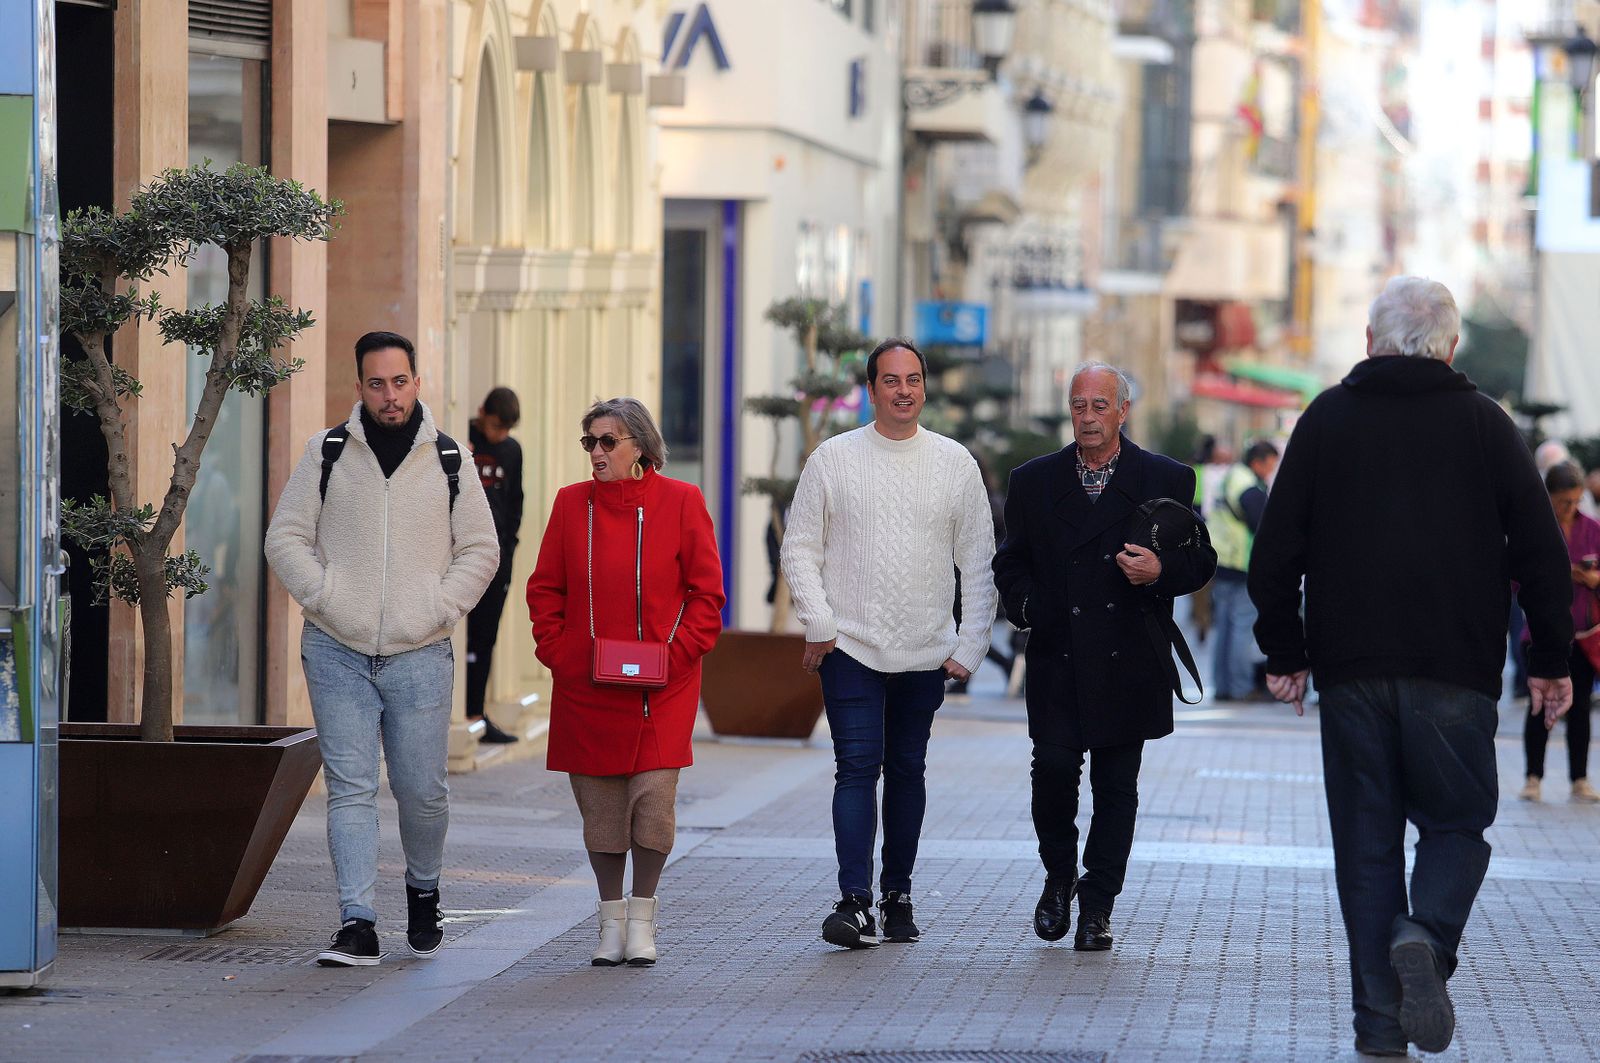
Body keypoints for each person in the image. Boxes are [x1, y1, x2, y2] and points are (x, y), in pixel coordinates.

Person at [1248, 276, 1574, 1057]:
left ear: (1369, 340)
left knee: (1365, 846)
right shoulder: (1486, 426)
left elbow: (1274, 553)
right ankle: (1425, 932)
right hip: (1456, 671)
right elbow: (1542, 554)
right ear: (1453, 345)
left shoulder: (1328, 418)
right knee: (1458, 823)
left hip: (1350, 671)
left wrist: (1286, 652)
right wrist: (1549, 660)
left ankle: (1379, 1027)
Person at [264, 331, 500, 967]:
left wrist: (439, 607)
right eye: (377, 384)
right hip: (336, 651)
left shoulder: (450, 458)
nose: (390, 396)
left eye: (400, 382)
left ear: (417, 383)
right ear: (360, 387)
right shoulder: (328, 452)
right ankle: (357, 921)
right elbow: (284, 538)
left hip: (422, 654)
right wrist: (327, 599)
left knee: (422, 791)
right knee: (351, 788)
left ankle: (424, 890)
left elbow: (482, 548)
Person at [992, 361, 1216, 953]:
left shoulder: (1165, 477)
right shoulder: (1034, 481)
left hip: (1128, 658)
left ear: (1123, 410)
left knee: (1117, 787)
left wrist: (1161, 570)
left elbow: (1201, 561)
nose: (1088, 418)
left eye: (1099, 406)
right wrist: (1028, 604)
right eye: (1079, 406)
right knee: (1055, 774)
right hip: (1057, 654)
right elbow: (1009, 562)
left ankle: (1097, 905)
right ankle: (1059, 876)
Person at [781, 337, 996, 950]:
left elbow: (978, 563)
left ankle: (897, 895)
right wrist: (819, 621)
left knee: (906, 770)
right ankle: (854, 901)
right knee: (855, 768)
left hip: (926, 649)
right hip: (849, 644)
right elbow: (800, 547)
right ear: (870, 389)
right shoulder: (832, 458)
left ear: (925, 388)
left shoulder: (955, 463)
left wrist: (971, 641)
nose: (903, 390)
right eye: (890, 380)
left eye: (913, 379)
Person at [526, 398, 724, 967]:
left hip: (664, 687)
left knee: (653, 804)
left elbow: (707, 595)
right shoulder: (570, 505)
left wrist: (676, 656)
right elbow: (545, 589)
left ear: (639, 444)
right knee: (601, 811)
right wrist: (562, 654)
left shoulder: (683, 501)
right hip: (587, 682)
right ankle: (609, 922)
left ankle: (643, 919)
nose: (596, 453)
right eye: (589, 441)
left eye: (607, 441)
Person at [1520, 462, 1600, 804]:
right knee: (1540, 707)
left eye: (1575, 501)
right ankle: (1532, 777)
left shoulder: (1593, 528)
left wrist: (1594, 580)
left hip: (1583, 633)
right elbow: (1516, 577)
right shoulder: (1536, 527)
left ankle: (1579, 778)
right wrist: (1556, 574)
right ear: (1549, 497)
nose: (1570, 508)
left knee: (1580, 708)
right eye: (1563, 501)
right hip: (1542, 632)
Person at [465, 387, 526, 744]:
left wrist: (509, 550)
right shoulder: (463, 439)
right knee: (460, 638)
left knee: (485, 639)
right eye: (494, 426)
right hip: (459, 556)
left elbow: (515, 504)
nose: (498, 435)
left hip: (497, 560)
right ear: (481, 411)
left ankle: (476, 714)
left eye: (505, 430)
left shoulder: (512, 451)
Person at [1206, 440, 1280, 701]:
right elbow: (1263, 526)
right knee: (1241, 628)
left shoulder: (1231, 476)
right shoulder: (1248, 485)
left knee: (1224, 628)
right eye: (1270, 465)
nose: (1270, 472)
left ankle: (1223, 686)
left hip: (1222, 562)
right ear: (1258, 462)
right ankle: (1240, 687)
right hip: (1240, 564)